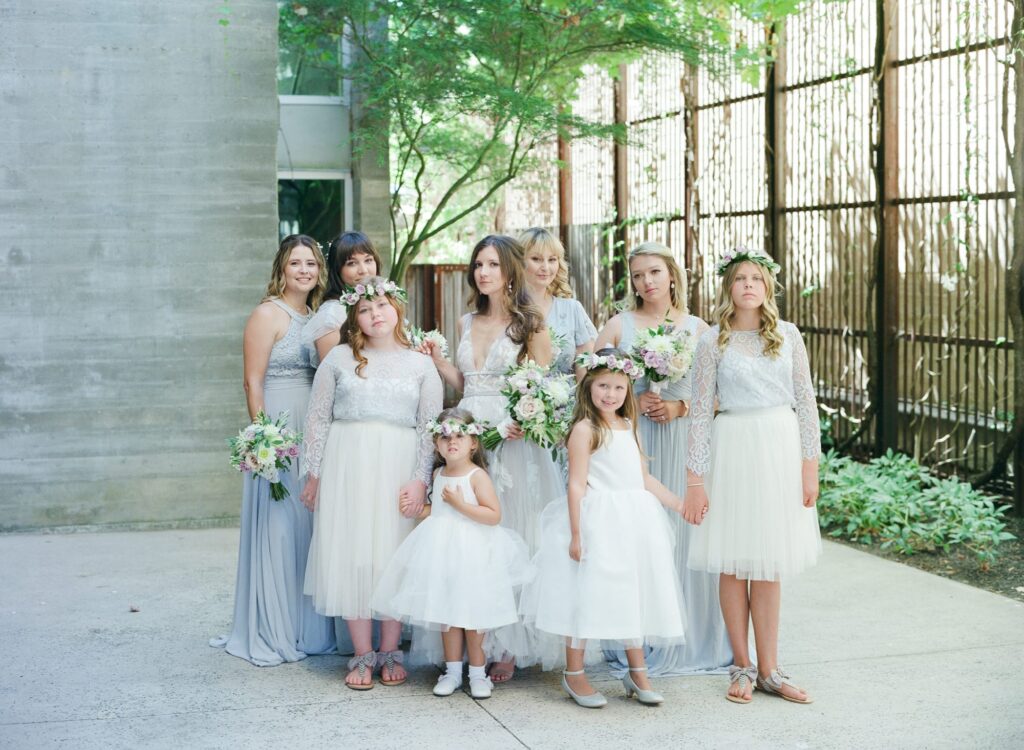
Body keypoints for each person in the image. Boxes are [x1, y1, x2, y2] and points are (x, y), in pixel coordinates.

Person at [683, 247, 822, 705]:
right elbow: (700, 413)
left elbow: (806, 403)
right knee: (733, 560)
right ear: (728, 287)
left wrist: (809, 467)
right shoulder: (712, 341)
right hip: (733, 450)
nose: (748, 285)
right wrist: (696, 480)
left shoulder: (788, 335)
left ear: (767, 288)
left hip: (778, 448)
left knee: (769, 561)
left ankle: (770, 669)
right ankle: (740, 666)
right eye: (740, 278)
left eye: (756, 279)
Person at [421, 234, 557, 682]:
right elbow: (464, 384)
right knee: (468, 539)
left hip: (512, 440)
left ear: (510, 270)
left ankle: (508, 645)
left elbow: (542, 387)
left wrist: (523, 419)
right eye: (478, 264)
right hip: (470, 436)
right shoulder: (465, 321)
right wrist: (439, 362)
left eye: (493, 264)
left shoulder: (530, 324)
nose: (483, 273)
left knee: (511, 533)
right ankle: (469, 640)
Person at [521, 348, 688, 708]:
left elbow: (643, 478)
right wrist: (577, 533)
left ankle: (637, 670)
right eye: (603, 386)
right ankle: (574, 673)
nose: (610, 394)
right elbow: (577, 484)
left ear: (628, 389)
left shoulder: (629, 426)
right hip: (597, 521)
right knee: (583, 595)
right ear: (589, 388)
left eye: (618, 387)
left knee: (631, 593)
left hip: (633, 521)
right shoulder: (585, 429)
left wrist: (677, 503)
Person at [595, 241, 731, 676]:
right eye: (637, 275)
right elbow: (592, 385)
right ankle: (641, 637)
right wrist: (631, 407)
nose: (646, 282)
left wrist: (679, 407)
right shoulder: (618, 326)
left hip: (684, 441)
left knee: (685, 534)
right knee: (639, 538)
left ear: (672, 274)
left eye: (654, 272)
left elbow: (719, 395)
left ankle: (691, 636)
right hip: (635, 443)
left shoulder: (698, 328)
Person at [300, 277, 443, 689]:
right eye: (364, 310)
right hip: (348, 463)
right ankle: (362, 652)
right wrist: (315, 474)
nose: (374, 314)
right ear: (354, 318)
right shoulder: (341, 358)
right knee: (354, 553)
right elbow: (317, 417)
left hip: (397, 465)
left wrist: (420, 481)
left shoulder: (420, 364)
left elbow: (428, 427)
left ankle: (391, 649)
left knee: (391, 552)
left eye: (381, 306)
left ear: (397, 309)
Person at [211, 234, 335, 666]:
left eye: (312, 264)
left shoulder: (318, 318)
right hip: (280, 427)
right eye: (296, 263)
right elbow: (253, 381)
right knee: (279, 527)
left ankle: (306, 626)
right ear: (281, 268)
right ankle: (273, 626)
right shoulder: (268, 314)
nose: (304, 270)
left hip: (312, 423)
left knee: (310, 526)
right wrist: (266, 438)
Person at [371, 408, 534, 700]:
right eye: (445, 438)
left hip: (473, 553)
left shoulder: (477, 475)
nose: (452, 442)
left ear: (473, 443)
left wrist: (460, 504)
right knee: (447, 615)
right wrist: (420, 510)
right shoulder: (438, 473)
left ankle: (478, 674)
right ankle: (453, 672)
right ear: (436, 444)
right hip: (442, 551)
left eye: (460, 436)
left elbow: (493, 515)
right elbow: (441, 509)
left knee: (473, 618)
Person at [518, 227, 596, 381]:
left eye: (552, 260)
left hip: (568, 401)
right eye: (536, 259)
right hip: (518, 402)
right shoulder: (507, 310)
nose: (545, 268)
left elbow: (585, 367)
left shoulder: (572, 309)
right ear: (519, 262)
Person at [301, 231, 381, 364]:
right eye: (352, 263)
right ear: (338, 271)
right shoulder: (331, 316)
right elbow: (331, 374)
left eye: (368, 260)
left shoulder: (383, 305)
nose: (364, 270)